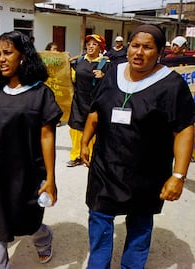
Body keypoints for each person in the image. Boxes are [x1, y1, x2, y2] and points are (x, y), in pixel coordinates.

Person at [80, 24, 195, 268]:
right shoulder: (113, 72)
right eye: (135, 45)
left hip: (147, 173)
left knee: (140, 226)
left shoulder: (171, 85)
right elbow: (96, 111)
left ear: (160, 51)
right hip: (105, 167)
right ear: (128, 47)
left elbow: (184, 128)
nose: (139, 52)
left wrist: (178, 175)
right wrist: (84, 142)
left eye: (147, 47)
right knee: (99, 219)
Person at [0, 31, 62, 268]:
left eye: (8, 53)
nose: (1, 59)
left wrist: (50, 178)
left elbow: (47, 137)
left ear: (23, 56)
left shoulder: (40, 94)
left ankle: (44, 238)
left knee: (27, 220)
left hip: (28, 170)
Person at [67, 34, 110, 167]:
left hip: (95, 101)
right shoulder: (79, 61)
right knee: (75, 127)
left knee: (93, 128)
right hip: (78, 100)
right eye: (89, 44)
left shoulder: (106, 64)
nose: (90, 46)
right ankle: (76, 156)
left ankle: (91, 156)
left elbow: (112, 83)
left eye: (94, 44)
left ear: (100, 48)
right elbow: (70, 78)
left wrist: (104, 76)